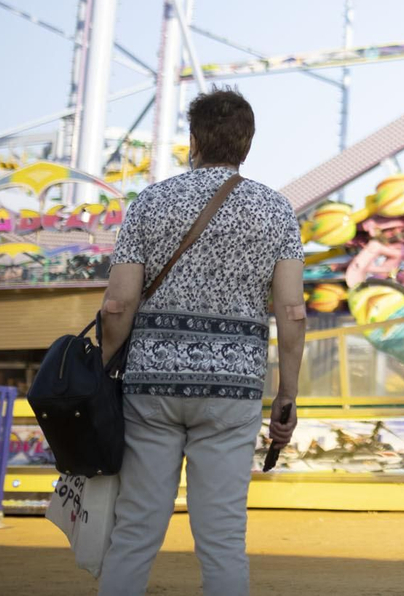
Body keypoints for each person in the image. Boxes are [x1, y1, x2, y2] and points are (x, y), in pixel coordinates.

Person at [97, 87, 307, 595]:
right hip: (232, 389)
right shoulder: (276, 211)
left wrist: (104, 372)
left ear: (192, 139)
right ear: (247, 144)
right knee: (222, 538)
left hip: (152, 384)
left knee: (135, 530)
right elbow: (293, 313)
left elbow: (117, 305)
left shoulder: (149, 203)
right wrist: (287, 393)